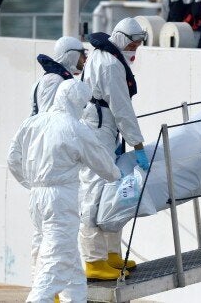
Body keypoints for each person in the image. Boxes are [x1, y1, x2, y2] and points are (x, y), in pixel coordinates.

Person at [7, 79, 121, 303]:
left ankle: (76, 300)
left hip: (37, 198)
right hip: (61, 199)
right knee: (56, 262)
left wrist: (30, 183)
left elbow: (12, 158)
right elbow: (103, 163)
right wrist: (119, 176)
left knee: (69, 261)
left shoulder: (32, 123)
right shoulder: (75, 127)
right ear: (77, 101)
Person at [79, 17, 149, 279]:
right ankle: (94, 261)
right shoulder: (110, 64)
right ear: (120, 39)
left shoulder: (102, 56)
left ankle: (111, 255)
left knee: (112, 189)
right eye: (133, 44)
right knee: (95, 192)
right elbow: (122, 108)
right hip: (101, 129)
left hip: (104, 127)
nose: (135, 49)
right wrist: (138, 144)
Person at [31, 36, 87, 115]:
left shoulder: (53, 77)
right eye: (82, 54)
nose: (85, 59)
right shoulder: (56, 80)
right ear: (71, 55)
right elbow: (46, 116)